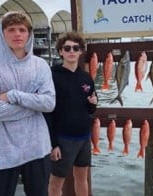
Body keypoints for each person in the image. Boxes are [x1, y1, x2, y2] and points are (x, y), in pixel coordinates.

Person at [0, 11, 55, 196]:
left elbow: (49, 103)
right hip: (0, 151)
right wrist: (34, 106)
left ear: (29, 34)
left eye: (22, 29)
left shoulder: (41, 65)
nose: (17, 34)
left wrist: (13, 95)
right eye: (11, 29)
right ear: (2, 34)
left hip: (37, 148)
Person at [45, 32, 97, 196]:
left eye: (76, 48)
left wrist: (93, 104)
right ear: (60, 51)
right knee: (55, 184)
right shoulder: (52, 75)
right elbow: (46, 113)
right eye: (67, 48)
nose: (71, 51)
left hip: (84, 137)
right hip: (63, 138)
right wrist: (53, 144)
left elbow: (90, 110)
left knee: (82, 179)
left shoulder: (86, 77)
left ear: (81, 51)